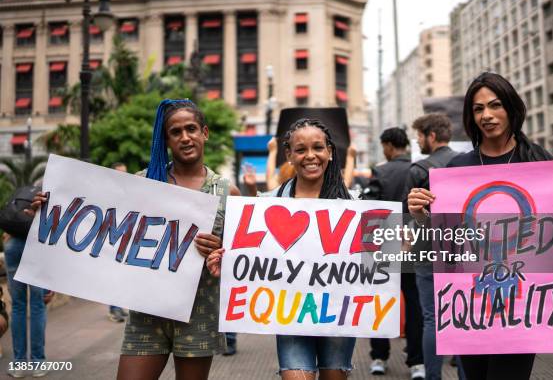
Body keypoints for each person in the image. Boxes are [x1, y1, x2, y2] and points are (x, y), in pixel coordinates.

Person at [407, 72, 553, 380]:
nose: (487, 115)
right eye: (478, 109)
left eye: (495, 105)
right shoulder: (456, 170)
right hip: (470, 308)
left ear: (511, 108)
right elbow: (443, 248)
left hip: (522, 308)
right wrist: (421, 218)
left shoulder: (539, 163)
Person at [31, 99, 240, 379]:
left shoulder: (227, 192)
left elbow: (242, 261)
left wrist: (219, 252)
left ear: (205, 132)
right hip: (146, 315)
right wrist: (52, 212)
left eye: (191, 129)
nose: (185, 137)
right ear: (165, 140)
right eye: (175, 132)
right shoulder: (142, 183)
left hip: (198, 314)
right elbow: (104, 233)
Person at [208, 118, 355, 380]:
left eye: (318, 148)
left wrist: (414, 219)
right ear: (289, 155)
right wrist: (226, 260)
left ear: (330, 152)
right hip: (290, 315)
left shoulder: (355, 204)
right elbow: (247, 256)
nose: (311, 156)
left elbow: (381, 260)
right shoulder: (265, 205)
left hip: (337, 316)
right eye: (301, 149)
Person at [363, 127, 425, 379]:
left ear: (388, 145)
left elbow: (370, 211)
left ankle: (379, 357)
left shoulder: (380, 171)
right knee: (415, 305)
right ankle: (417, 362)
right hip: (414, 247)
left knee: (380, 302)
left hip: (383, 248)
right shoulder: (419, 170)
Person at [409, 114, 462, 380]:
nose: (418, 141)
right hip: (462, 250)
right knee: (463, 317)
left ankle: (433, 377)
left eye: (419, 135)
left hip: (426, 251)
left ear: (431, 136)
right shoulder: (466, 164)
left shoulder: (419, 169)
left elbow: (409, 217)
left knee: (432, 319)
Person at [4, 229, 54, 378]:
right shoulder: (44, 204)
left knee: (18, 306)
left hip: (12, 243)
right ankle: (38, 364)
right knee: (37, 305)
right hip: (36, 246)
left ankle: (19, 365)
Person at [107, 162, 130, 323]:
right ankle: (113, 309)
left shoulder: (126, 192)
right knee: (113, 275)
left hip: (124, 239)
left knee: (121, 276)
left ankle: (119, 307)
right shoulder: (110, 192)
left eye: (125, 172)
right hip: (112, 240)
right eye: (120, 172)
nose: (124, 175)